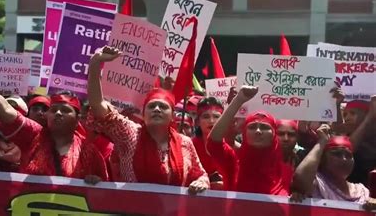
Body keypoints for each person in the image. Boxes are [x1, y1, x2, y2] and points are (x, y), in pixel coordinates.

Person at [0, 55, 108, 183]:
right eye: (53, 110)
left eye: (66, 110)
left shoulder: (89, 152)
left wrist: (95, 182)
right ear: (47, 116)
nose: (58, 113)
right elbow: (4, 108)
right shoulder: (33, 134)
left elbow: (106, 192)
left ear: (77, 119)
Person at [87, 46, 209, 194]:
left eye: (163, 107)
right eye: (152, 106)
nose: (157, 109)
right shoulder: (129, 133)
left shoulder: (185, 142)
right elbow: (98, 105)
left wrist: (200, 183)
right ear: (143, 114)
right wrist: (95, 65)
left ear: (172, 116)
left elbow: (201, 174)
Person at [207, 86, 289, 195]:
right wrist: (239, 100)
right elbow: (213, 142)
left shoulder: (286, 170)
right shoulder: (233, 163)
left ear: (274, 134)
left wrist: (299, 195)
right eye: (252, 127)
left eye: (265, 127)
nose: (258, 131)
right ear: (244, 132)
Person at [291, 125, 371, 206]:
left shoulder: (362, 191)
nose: (344, 159)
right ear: (323, 159)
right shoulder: (318, 184)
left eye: (348, 155)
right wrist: (321, 142)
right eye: (337, 154)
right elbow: (300, 181)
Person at [192, 97, 225, 189]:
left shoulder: (232, 146)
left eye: (216, 116)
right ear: (198, 122)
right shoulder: (189, 146)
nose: (211, 121)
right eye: (206, 117)